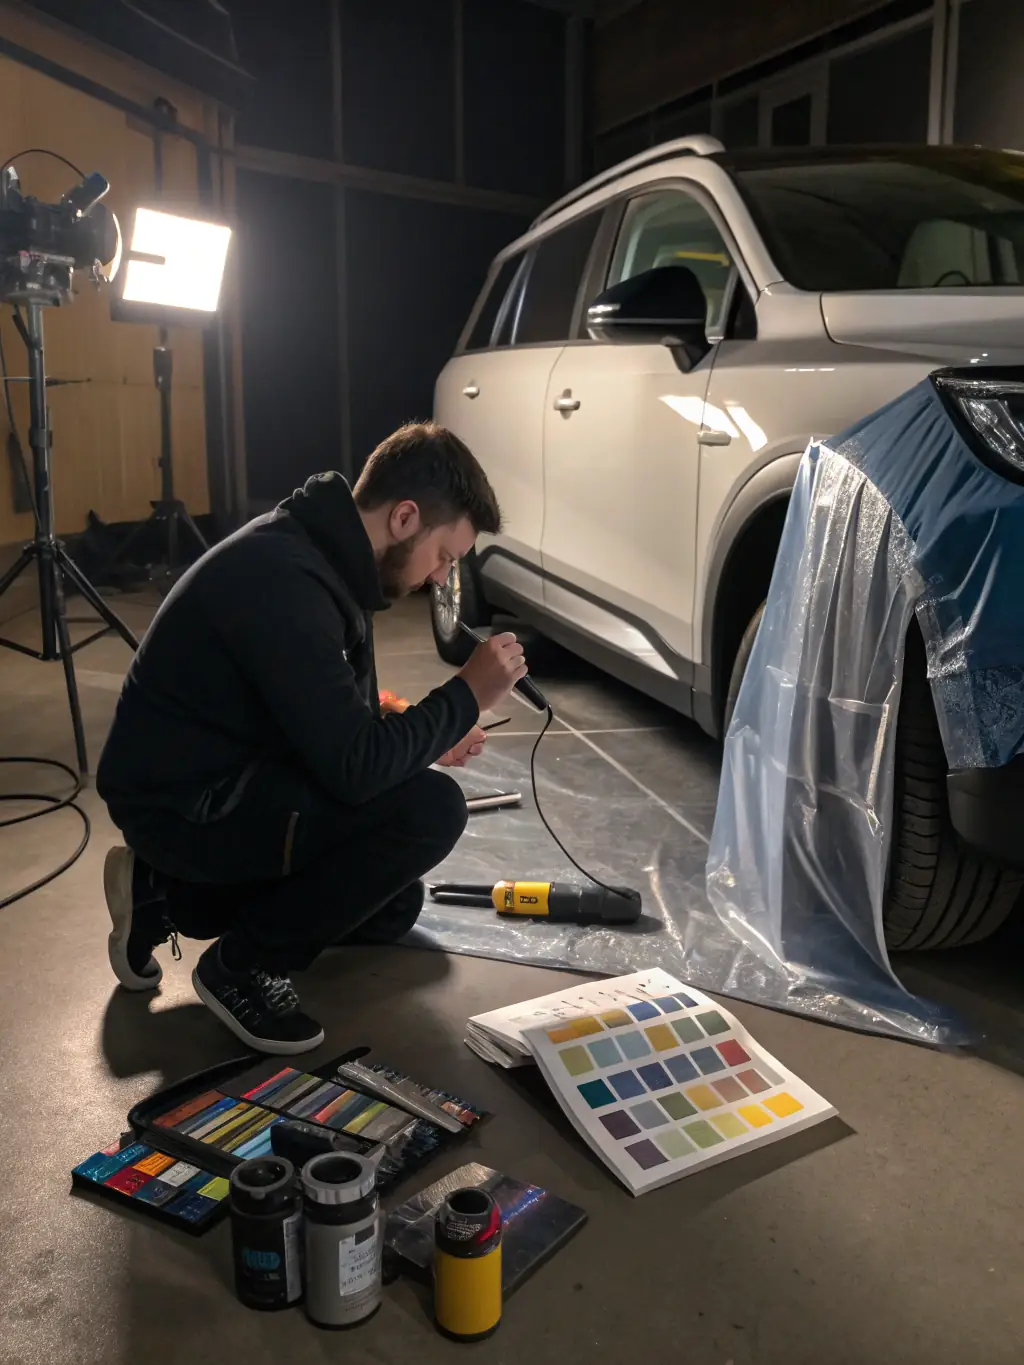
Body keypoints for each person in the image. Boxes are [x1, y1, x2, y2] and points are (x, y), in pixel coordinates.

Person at [96, 421, 527, 1054]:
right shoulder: (284, 578)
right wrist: (464, 696)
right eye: (445, 556)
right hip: (187, 807)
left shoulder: (325, 556)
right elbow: (354, 766)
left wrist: (426, 736)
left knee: (391, 906)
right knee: (431, 811)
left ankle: (167, 894)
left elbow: (333, 714)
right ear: (406, 517)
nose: (441, 579)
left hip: (233, 776)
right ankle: (237, 966)